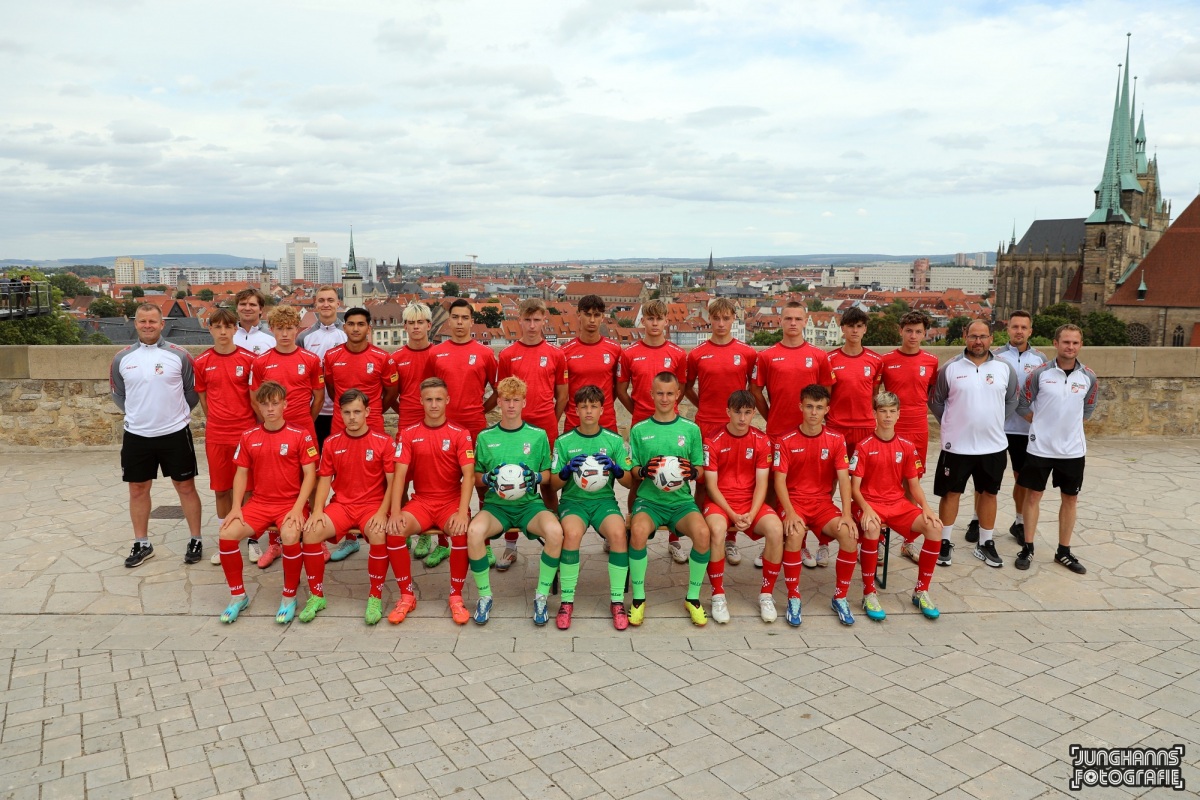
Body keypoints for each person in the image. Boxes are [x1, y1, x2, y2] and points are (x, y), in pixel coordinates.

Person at [216, 381, 318, 624]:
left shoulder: (300, 434)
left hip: (290, 503)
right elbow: (241, 472)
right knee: (227, 534)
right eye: (265, 404)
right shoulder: (249, 436)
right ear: (259, 407)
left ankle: (289, 596)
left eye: (275, 403)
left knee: (291, 535)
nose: (270, 409)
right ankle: (238, 595)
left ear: (285, 404)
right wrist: (236, 507)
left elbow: (311, 474)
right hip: (260, 503)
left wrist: (298, 507)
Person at [110, 303, 203, 567]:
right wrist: (138, 414)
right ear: (135, 323)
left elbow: (191, 392)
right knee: (138, 489)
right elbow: (118, 394)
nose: (148, 326)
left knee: (185, 487)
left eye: (153, 321)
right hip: (137, 435)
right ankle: (142, 542)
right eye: (143, 321)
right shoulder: (122, 358)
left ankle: (195, 538)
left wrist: (176, 415)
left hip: (174, 432)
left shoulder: (180, 355)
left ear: (162, 324)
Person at [466, 377, 565, 626]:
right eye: (506, 400)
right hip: (496, 506)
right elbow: (476, 477)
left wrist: (535, 476)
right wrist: (488, 478)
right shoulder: (485, 437)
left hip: (529, 505)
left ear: (524, 402)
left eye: (516, 400)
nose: (511, 405)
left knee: (555, 532)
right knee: (474, 532)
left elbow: (548, 477)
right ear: (498, 402)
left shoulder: (538, 435)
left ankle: (541, 596)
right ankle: (485, 596)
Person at [297, 390, 399, 625]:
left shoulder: (384, 441)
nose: (352, 417)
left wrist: (383, 512)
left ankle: (375, 596)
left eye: (357, 412)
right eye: (347, 412)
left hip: (372, 506)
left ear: (367, 412)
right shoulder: (332, 442)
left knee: (378, 533)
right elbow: (324, 479)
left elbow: (393, 482)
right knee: (311, 532)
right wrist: (318, 510)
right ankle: (316, 595)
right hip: (342, 506)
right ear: (340, 413)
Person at [928, 319, 1018, 568]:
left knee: (989, 493)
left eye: (983, 336)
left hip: (993, 446)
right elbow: (936, 402)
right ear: (965, 336)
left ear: (992, 338)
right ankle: (943, 542)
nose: (978, 341)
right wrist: (953, 423)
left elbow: (1011, 401)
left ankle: (985, 543)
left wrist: (992, 422)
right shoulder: (950, 368)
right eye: (973, 336)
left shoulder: (1004, 368)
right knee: (951, 493)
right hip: (957, 446)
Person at [751, 300, 834, 569]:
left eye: (798, 319)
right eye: (788, 318)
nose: (793, 324)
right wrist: (770, 416)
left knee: (805, 488)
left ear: (805, 320)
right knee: (776, 490)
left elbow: (826, 393)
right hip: (778, 433)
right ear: (780, 321)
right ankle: (771, 545)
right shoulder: (766, 356)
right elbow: (756, 392)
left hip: (810, 434)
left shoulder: (819, 356)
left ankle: (802, 545)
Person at [389, 378, 476, 624]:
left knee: (461, 534)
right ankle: (406, 596)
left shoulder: (460, 433)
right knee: (394, 532)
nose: (434, 404)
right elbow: (400, 475)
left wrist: (461, 513)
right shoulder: (408, 433)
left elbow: (468, 475)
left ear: (447, 400)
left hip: (451, 502)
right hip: (422, 503)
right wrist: (395, 512)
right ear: (421, 401)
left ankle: (456, 597)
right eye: (429, 399)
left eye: (439, 399)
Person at [850, 392, 944, 620]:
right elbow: (854, 488)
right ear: (874, 414)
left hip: (897, 504)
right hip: (869, 503)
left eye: (892, 411)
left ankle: (921, 591)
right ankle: (868, 593)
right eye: (882, 411)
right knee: (872, 528)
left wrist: (927, 508)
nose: (888, 416)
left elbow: (914, 486)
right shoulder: (863, 446)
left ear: (899, 414)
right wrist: (867, 508)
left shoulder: (907, 446)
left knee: (934, 528)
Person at [629, 371, 711, 627]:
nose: (664, 399)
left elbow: (701, 468)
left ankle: (693, 598)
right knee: (638, 531)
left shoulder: (691, 429)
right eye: (659, 393)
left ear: (678, 395)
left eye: (669, 394)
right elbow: (632, 469)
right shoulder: (639, 430)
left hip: (680, 502)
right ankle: (639, 598)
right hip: (649, 501)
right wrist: (643, 471)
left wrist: (693, 471)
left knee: (702, 533)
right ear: (651, 395)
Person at [774, 384, 860, 626]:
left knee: (849, 535)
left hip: (822, 504)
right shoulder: (785, 440)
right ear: (800, 407)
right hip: (795, 504)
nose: (813, 412)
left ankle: (840, 597)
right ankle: (793, 597)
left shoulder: (836, 439)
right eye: (809, 406)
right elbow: (778, 481)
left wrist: (846, 514)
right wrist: (789, 512)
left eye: (819, 407)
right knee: (793, 534)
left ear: (827, 410)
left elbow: (844, 479)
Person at [1015, 324, 1098, 574]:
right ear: (1056, 343)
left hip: (1072, 451)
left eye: (1075, 343)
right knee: (1033, 497)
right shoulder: (1039, 374)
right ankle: (1027, 547)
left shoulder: (1089, 377)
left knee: (1070, 498)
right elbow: (1021, 404)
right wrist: (1039, 424)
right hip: (1040, 448)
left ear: (1080, 345)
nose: (1070, 347)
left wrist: (1068, 427)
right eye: (1065, 342)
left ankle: (1063, 551)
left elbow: (1089, 409)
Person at [551, 384, 635, 630]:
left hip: (603, 502)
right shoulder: (564, 441)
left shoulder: (614, 441)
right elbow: (553, 483)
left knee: (619, 534)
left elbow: (629, 482)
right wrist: (566, 471)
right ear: (575, 410)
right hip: (573, 502)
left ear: (602, 410)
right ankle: (567, 601)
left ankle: (617, 601)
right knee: (572, 534)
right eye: (584, 406)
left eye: (594, 406)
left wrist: (617, 469)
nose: (588, 411)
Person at [248, 304, 325, 567]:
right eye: (279, 328)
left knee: (311, 480)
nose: (284, 334)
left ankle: (317, 537)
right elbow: (255, 398)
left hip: (304, 428)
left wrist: (306, 421)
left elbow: (318, 396)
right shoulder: (261, 362)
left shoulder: (310, 360)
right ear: (272, 329)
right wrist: (268, 424)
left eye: (290, 328)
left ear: (298, 329)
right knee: (272, 483)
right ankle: (275, 542)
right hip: (271, 431)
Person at [495, 298, 568, 568]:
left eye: (537, 320)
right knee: (511, 482)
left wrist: (551, 419)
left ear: (544, 319)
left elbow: (562, 395)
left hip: (546, 427)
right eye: (527, 320)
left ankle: (556, 541)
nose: (532, 325)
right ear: (519, 321)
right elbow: (502, 393)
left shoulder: (556, 354)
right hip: (514, 429)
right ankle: (510, 546)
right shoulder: (507, 355)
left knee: (548, 485)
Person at [615, 299, 689, 563]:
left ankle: (674, 538)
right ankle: (634, 528)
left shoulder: (678, 353)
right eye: (650, 318)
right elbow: (621, 390)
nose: (655, 323)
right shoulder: (630, 353)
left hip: (672, 425)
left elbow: (679, 389)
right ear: (643, 321)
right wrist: (639, 411)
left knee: (675, 474)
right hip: (641, 426)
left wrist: (668, 412)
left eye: (660, 319)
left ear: (666, 322)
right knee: (638, 478)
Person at [684, 298, 756, 565]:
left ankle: (730, 539)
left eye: (727, 319)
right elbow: (687, 386)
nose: (722, 323)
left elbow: (753, 389)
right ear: (710, 320)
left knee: (731, 480)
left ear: (733, 320)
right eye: (717, 319)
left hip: (736, 425)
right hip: (707, 424)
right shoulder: (698, 353)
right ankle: (703, 533)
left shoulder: (747, 353)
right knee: (702, 481)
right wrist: (701, 404)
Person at [702, 390, 783, 624]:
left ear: (754, 413)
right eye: (737, 412)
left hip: (750, 502)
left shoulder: (761, 440)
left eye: (747, 413)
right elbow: (711, 486)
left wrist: (751, 513)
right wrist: (732, 514)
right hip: (721, 502)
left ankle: (767, 594)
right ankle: (718, 595)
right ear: (728, 412)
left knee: (776, 529)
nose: (742, 418)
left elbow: (762, 483)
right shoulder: (712, 440)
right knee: (716, 530)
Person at [974, 310, 1047, 548]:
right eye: (1015, 327)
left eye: (1023, 328)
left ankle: (1019, 521)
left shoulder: (1040, 360)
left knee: (1021, 479)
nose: (1019, 331)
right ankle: (977, 519)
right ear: (1008, 330)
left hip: (1024, 430)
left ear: (1030, 331)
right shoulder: (994, 356)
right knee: (984, 477)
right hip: (995, 427)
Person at [194, 308, 259, 566]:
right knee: (222, 489)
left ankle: (252, 539)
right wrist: (219, 421)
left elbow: (255, 398)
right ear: (210, 329)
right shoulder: (201, 362)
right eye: (217, 327)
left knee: (249, 490)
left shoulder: (250, 359)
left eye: (227, 327)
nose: (222, 332)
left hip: (245, 433)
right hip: (217, 435)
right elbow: (203, 399)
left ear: (235, 329)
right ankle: (226, 539)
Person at [879, 311, 940, 565]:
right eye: (908, 330)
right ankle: (879, 541)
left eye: (918, 331)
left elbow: (931, 393)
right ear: (900, 331)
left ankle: (908, 542)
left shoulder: (932, 361)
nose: (913, 336)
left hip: (917, 430)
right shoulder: (886, 360)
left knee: (911, 485)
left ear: (925, 333)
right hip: (891, 430)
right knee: (883, 484)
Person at [392, 302, 445, 565]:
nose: (415, 327)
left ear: (428, 325)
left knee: (438, 478)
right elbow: (391, 395)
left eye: (420, 322)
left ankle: (436, 538)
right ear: (405, 326)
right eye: (411, 323)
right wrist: (407, 410)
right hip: (407, 425)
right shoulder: (396, 358)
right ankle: (409, 527)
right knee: (402, 480)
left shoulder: (438, 354)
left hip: (436, 424)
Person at [561, 295, 623, 434]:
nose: (592, 320)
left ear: (603, 317)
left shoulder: (614, 349)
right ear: (578, 315)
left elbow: (618, 387)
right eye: (587, 315)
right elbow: (559, 391)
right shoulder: (564, 352)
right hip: (574, 423)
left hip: (606, 422)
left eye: (596, 315)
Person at [297, 285, 346, 450]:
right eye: (322, 300)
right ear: (315, 304)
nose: (326, 304)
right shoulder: (304, 337)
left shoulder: (349, 333)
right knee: (316, 464)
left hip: (344, 412)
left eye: (330, 300)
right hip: (315, 412)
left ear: (338, 303)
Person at [232, 288, 275, 355]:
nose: (247, 308)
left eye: (252, 305)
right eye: (243, 304)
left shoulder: (273, 337)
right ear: (236, 308)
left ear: (261, 309)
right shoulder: (228, 335)